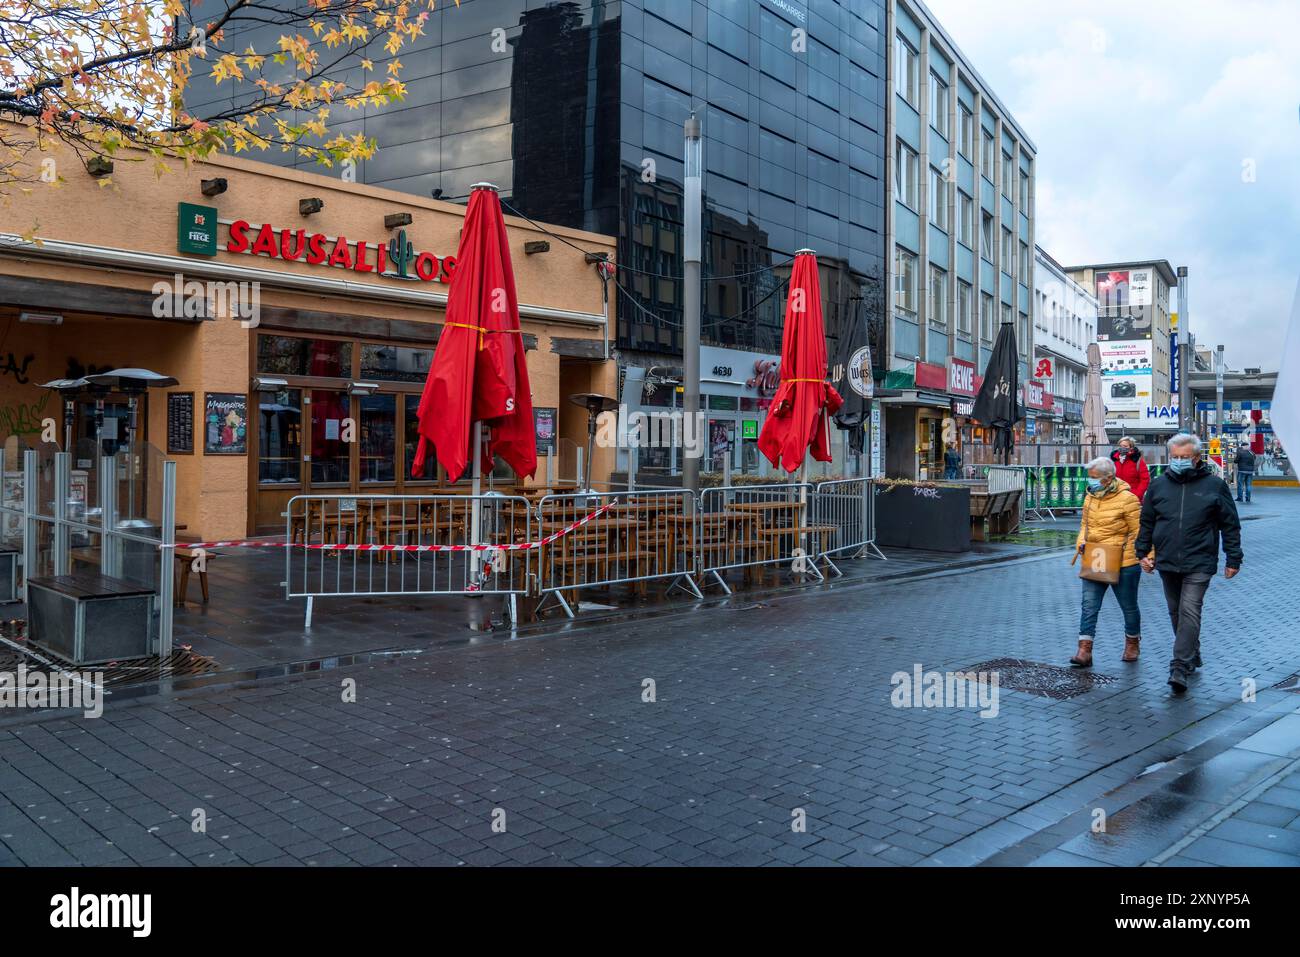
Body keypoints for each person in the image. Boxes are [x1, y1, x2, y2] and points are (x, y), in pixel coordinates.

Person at [1135, 433, 1243, 694]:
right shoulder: (1159, 485)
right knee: (1175, 611)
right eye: (1175, 457)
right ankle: (1192, 652)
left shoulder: (1215, 486)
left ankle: (1179, 667)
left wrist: (1233, 557)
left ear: (1196, 458)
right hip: (1167, 560)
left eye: (1185, 457)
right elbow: (1147, 521)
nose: (1179, 461)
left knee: (1189, 611)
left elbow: (1230, 524)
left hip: (1200, 561)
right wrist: (1142, 553)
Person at [1069, 457, 1143, 669]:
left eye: (1094, 478)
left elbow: (1138, 531)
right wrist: (1081, 542)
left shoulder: (1128, 499)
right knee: (1089, 606)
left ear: (1108, 478)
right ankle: (1084, 650)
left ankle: (1132, 643)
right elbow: (1085, 525)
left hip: (1123, 560)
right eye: (1089, 477)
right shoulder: (1090, 497)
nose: (1089, 481)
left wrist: (1132, 554)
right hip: (1096, 556)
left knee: (1128, 606)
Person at [1110, 436, 1150, 501]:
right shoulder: (1114, 461)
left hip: (1133, 498)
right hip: (1116, 497)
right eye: (1121, 446)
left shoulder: (1137, 461)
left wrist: (1137, 495)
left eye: (1125, 446)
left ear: (1131, 447)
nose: (1122, 448)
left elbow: (1145, 480)